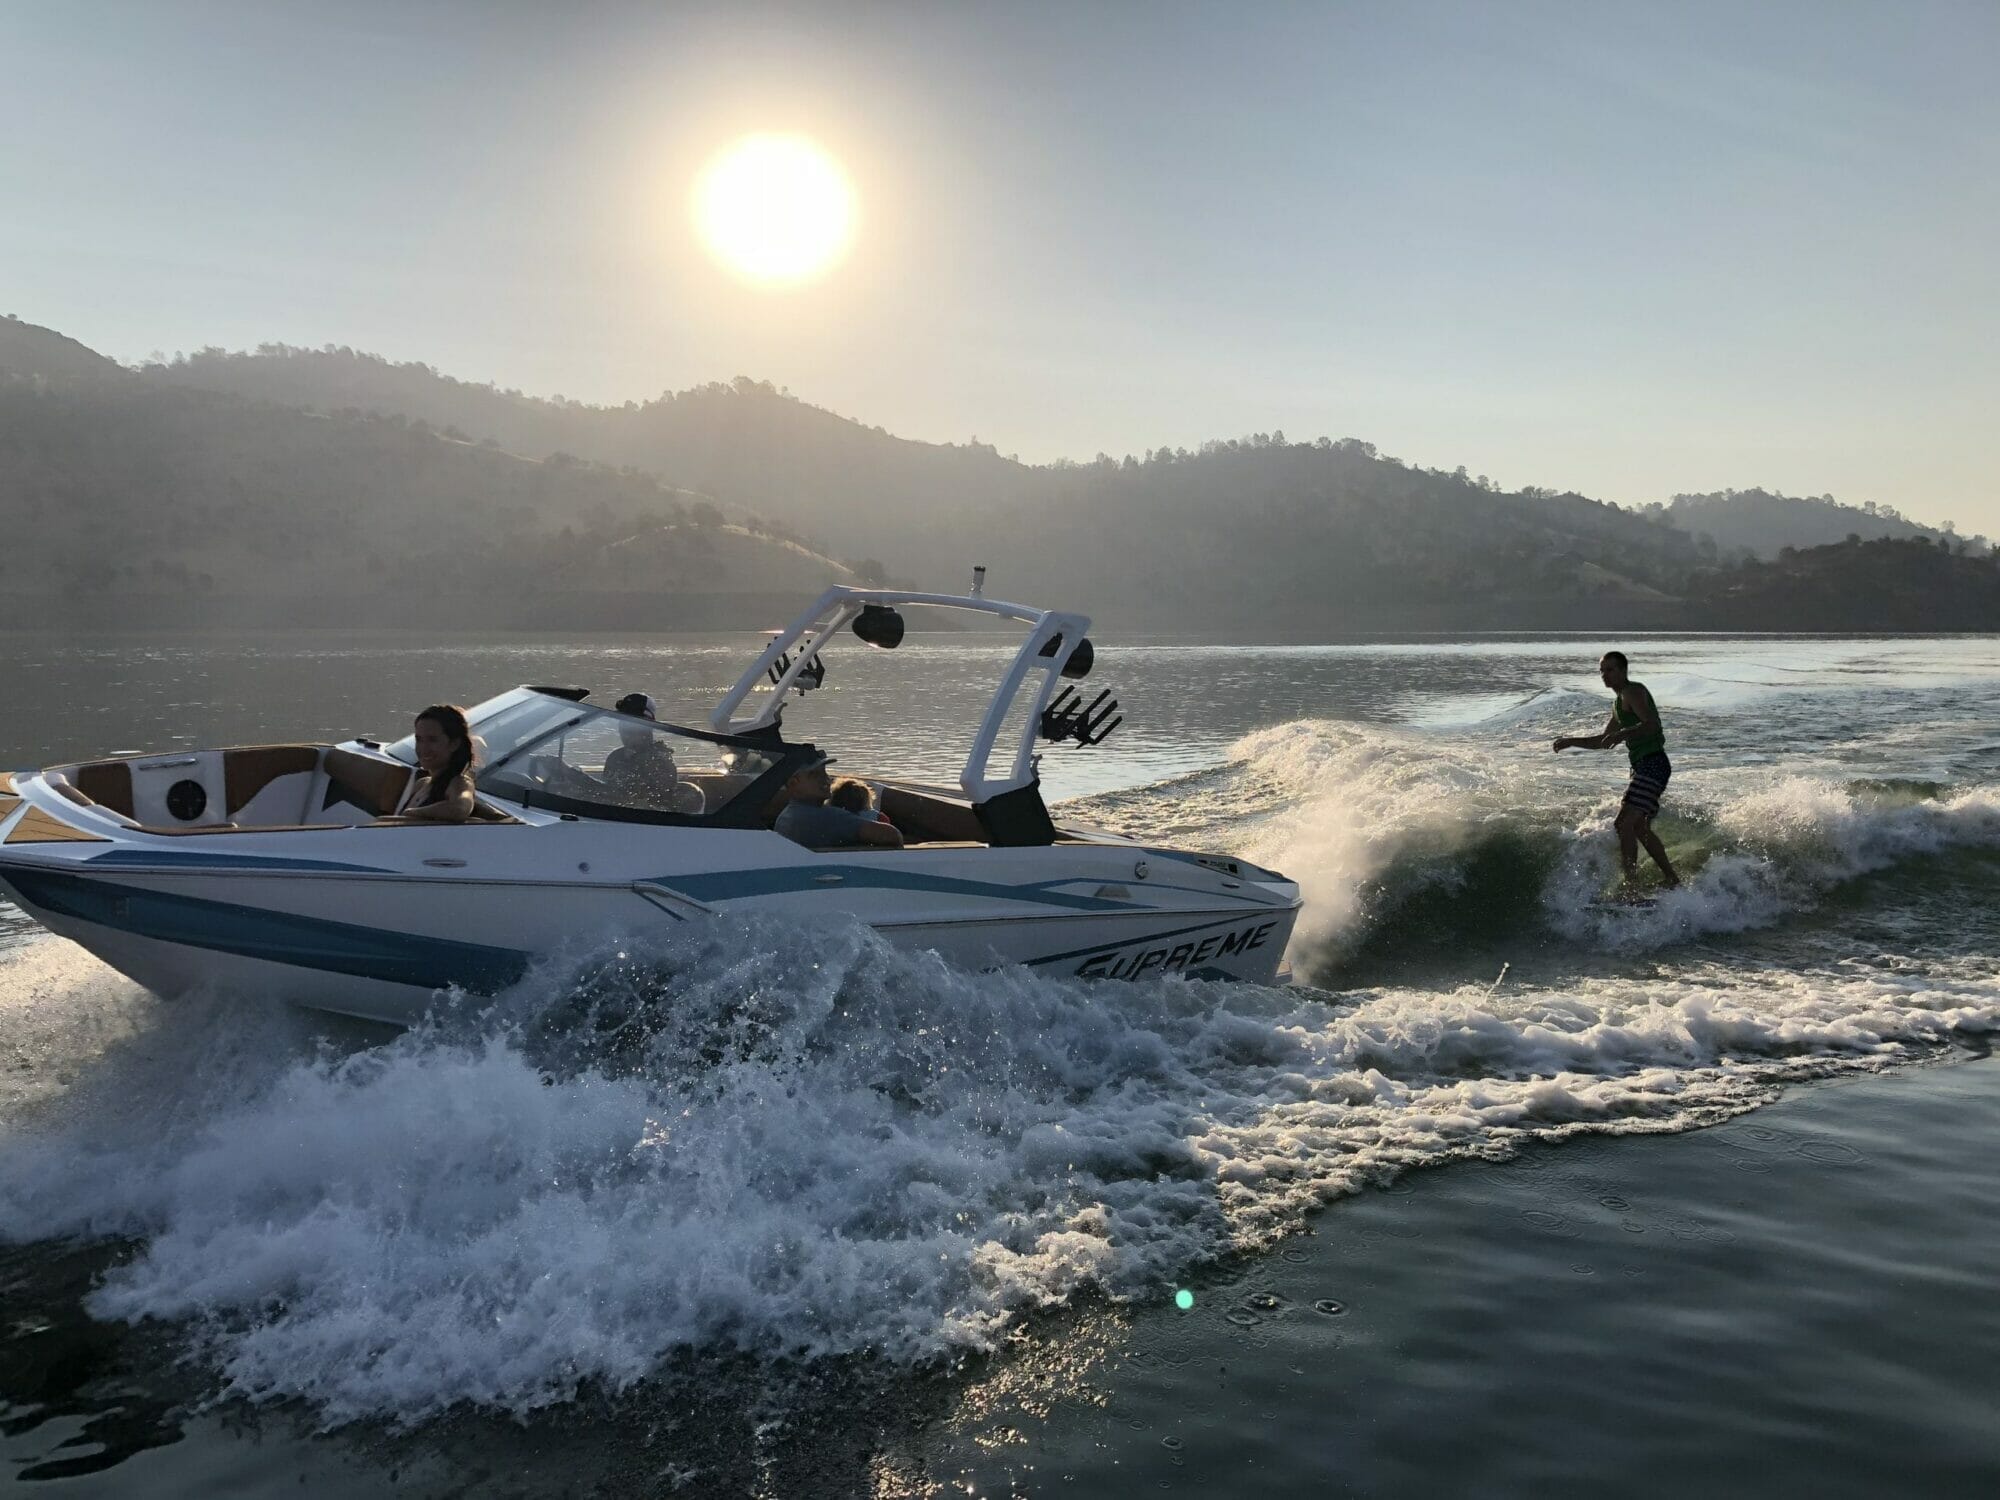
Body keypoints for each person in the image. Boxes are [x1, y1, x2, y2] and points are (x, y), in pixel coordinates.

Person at [1553, 651, 1680, 892]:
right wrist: (1571, 741)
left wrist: (1623, 733)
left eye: (1610, 670)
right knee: (1639, 827)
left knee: (1623, 824)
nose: (1605, 675)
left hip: (1653, 763)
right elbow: (1603, 742)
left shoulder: (1633, 691)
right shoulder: (1618, 703)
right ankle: (1671, 879)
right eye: (1602, 671)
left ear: (1623, 671)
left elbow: (1651, 724)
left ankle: (1632, 886)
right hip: (1644, 767)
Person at [775, 754, 903, 847]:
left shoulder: (787, 815)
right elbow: (891, 835)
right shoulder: (825, 817)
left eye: (825, 773)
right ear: (793, 783)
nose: (826, 779)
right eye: (815, 775)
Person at [601, 692, 688, 808]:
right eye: (623, 721)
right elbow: (606, 794)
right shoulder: (615, 757)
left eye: (634, 723)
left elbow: (659, 804)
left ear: (649, 728)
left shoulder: (660, 760)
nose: (626, 729)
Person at [399, 704, 478, 823]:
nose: (423, 748)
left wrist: (413, 813)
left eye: (432, 740)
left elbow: (460, 808)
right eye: (419, 739)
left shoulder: (460, 783)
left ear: (454, 744)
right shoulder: (422, 784)